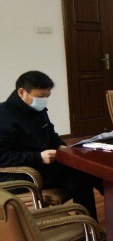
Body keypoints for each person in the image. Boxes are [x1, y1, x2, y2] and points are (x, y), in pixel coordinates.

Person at [0, 71, 103, 220]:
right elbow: (2, 157)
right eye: (40, 96)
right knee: (82, 169)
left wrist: (60, 146)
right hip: (19, 175)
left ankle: (89, 225)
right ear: (22, 92)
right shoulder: (3, 116)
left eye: (47, 96)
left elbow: (51, 133)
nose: (43, 101)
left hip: (42, 167)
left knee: (81, 178)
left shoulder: (36, 110)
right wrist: (38, 157)